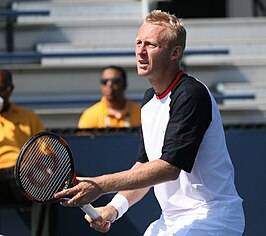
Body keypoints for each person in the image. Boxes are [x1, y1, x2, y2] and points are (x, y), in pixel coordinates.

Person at [54, 10, 245, 235]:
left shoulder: (192, 94)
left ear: (175, 52)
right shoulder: (148, 101)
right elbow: (144, 168)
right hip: (170, 221)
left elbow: (168, 169)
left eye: (151, 45)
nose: (141, 52)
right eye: (138, 43)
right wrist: (113, 209)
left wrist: (99, 185)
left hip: (211, 217)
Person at [0, 69, 57, 236]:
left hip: (22, 175)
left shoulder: (28, 117)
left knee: (48, 187)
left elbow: (49, 152)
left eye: (2, 88)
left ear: (10, 89)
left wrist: (32, 160)